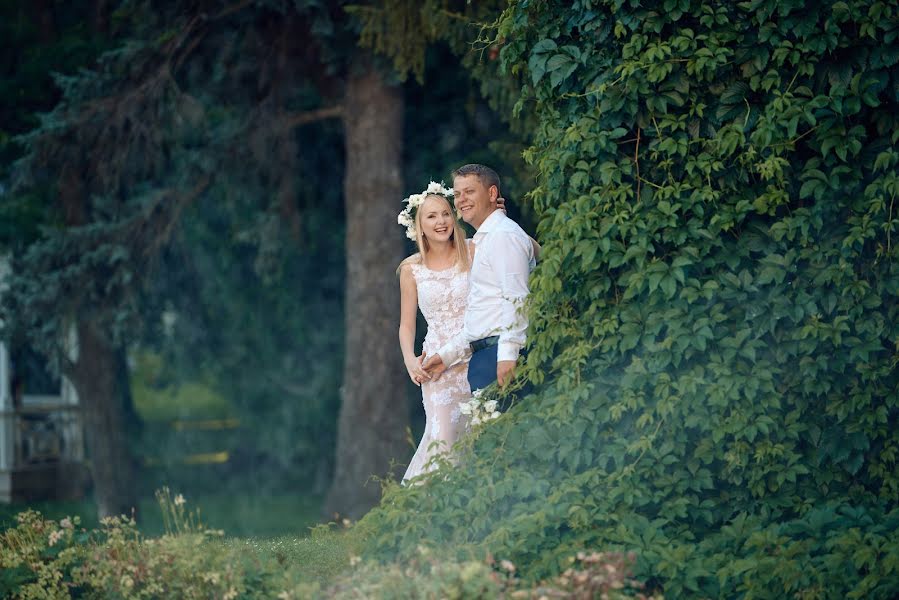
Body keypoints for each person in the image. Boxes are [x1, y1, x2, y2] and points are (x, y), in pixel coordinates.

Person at [422, 164, 536, 395]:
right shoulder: (486, 239)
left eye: (469, 191)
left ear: (492, 194)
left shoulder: (503, 236)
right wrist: (447, 356)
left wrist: (507, 356)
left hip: (500, 358)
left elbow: (516, 298)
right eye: (457, 194)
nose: (461, 199)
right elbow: (484, 312)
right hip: (486, 358)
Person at [396, 182, 480, 482]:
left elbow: (530, 250)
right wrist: (409, 360)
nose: (441, 221)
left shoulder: (473, 249)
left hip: (476, 355)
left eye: (445, 214)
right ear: (419, 226)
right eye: (431, 216)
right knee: (442, 438)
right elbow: (406, 324)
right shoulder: (411, 269)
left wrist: (499, 219)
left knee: (474, 440)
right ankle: (420, 512)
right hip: (436, 368)